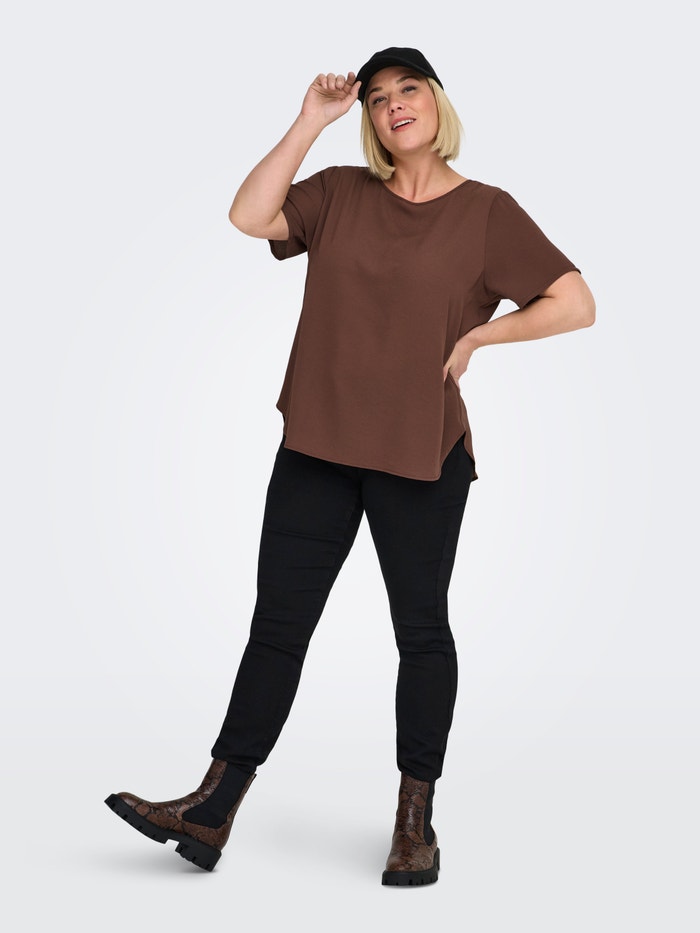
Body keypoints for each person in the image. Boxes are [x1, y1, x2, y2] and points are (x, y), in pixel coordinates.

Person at [105, 47, 595, 886]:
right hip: (317, 448)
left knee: (421, 633)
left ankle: (414, 823)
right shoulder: (338, 192)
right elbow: (248, 216)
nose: (394, 105)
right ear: (366, 118)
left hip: (421, 456)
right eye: (377, 98)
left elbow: (575, 301)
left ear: (437, 102)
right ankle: (214, 806)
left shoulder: (486, 212)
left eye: (409, 89)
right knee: (277, 628)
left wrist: (482, 335)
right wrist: (310, 120)